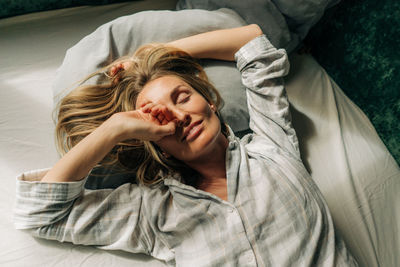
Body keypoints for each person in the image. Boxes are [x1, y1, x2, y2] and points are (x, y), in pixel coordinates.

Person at [14, 25, 358, 266]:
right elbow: (41, 213)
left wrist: (153, 56)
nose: (178, 116)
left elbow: (252, 42)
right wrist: (115, 128)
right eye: (159, 118)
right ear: (157, 145)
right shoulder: (154, 211)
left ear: (210, 103)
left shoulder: (272, 144)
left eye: (183, 97)